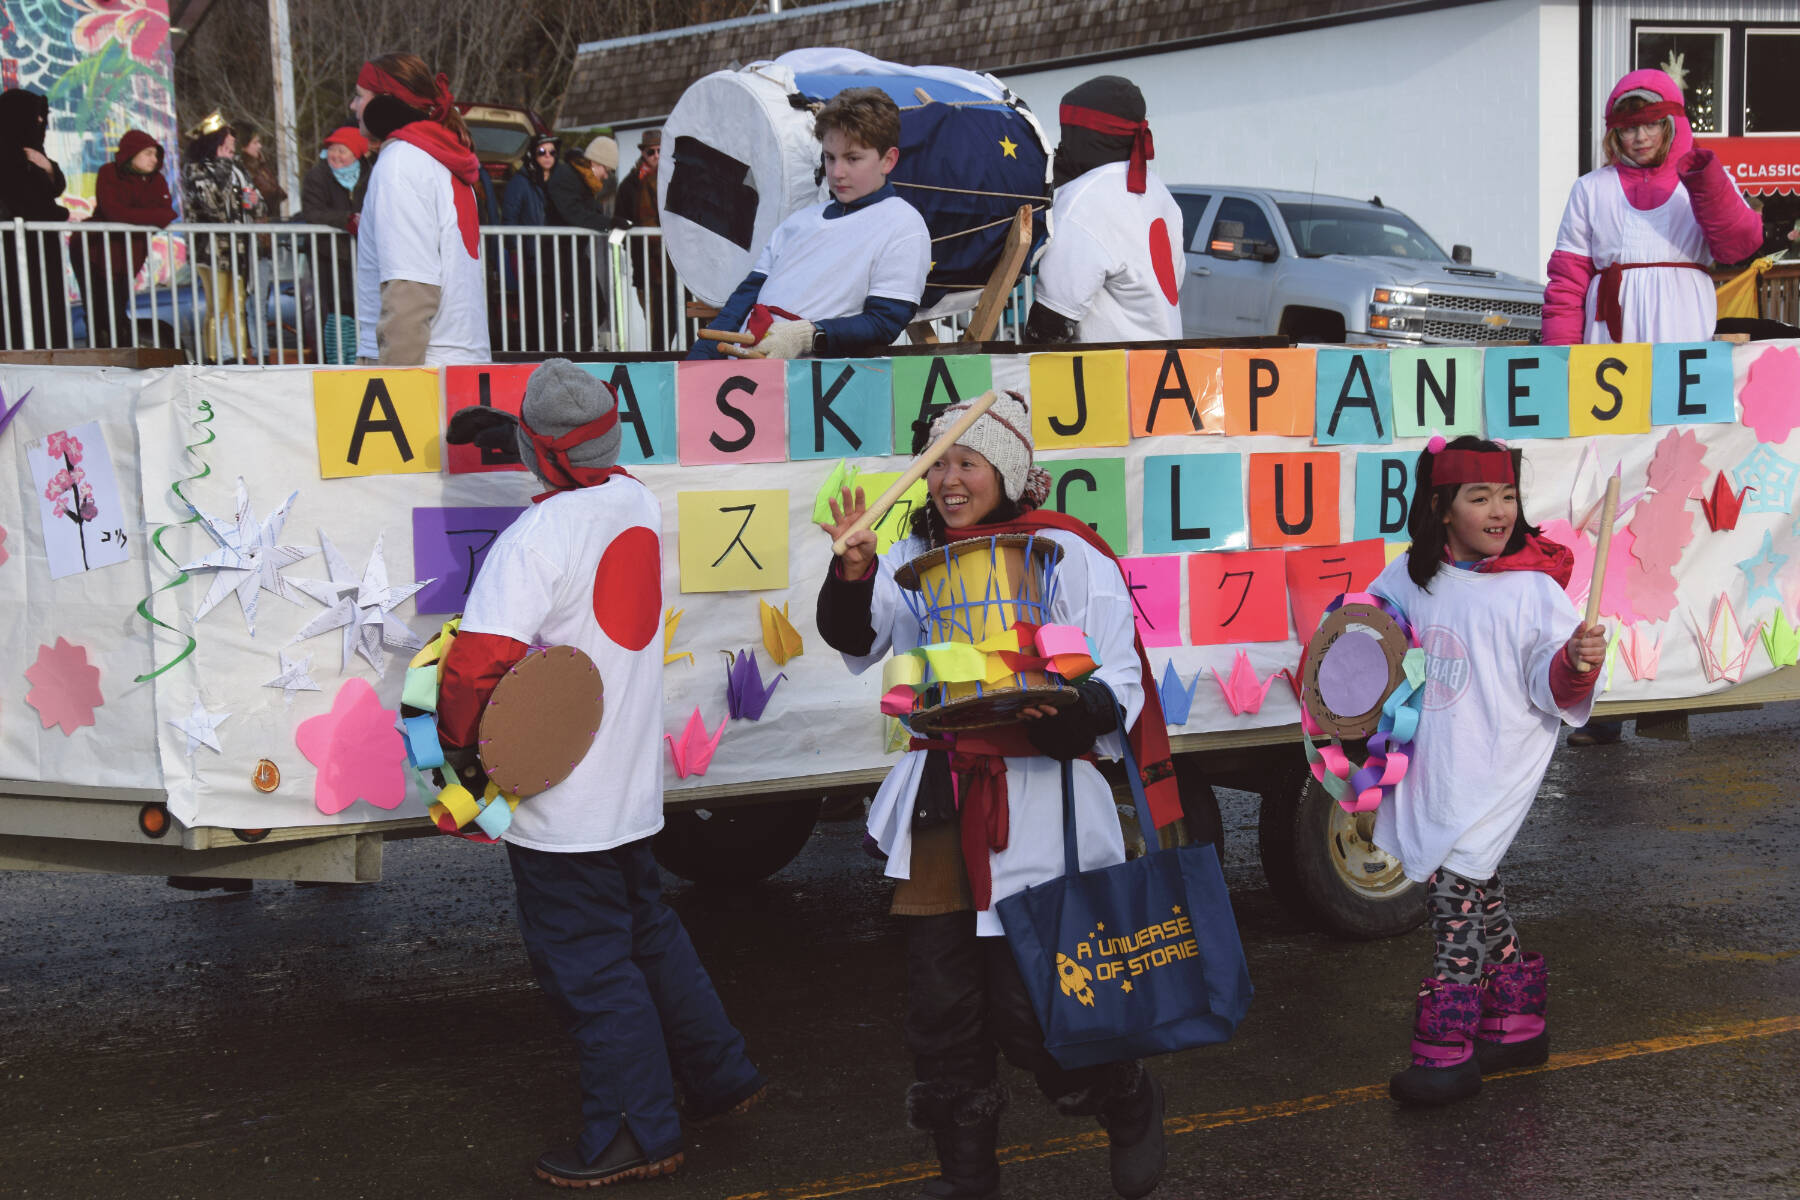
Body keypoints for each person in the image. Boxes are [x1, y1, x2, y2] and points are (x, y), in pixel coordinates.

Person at [816, 392, 1174, 1200]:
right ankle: (968, 1180)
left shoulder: (1065, 553)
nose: (948, 479)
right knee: (942, 1018)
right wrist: (851, 566)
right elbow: (859, 637)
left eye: (966, 462)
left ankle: (1124, 1095)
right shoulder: (911, 552)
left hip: (1044, 806)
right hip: (943, 802)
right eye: (937, 462)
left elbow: (1115, 678)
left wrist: (1068, 711)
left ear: (1005, 470)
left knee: (1035, 1008)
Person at [436, 359, 766, 1188]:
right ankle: (719, 1078)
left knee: (590, 968)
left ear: (538, 456)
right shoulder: (634, 502)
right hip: (627, 787)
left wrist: (463, 760)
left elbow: (474, 669)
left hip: (560, 800)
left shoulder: (535, 539)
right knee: (648, 936)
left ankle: (634, 1133)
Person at [1370, 435, 1607, 1107]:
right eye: (1481, 498)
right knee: (1477, 887)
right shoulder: (1412, 576)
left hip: (1498, 763)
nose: (1500, 511)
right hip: (1438, 765)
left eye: (1508, 496)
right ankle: (1516, 1020)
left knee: (1452, 896)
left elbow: (1549, 681)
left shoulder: (1533, 590)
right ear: (1443, 508)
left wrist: (1576, 661)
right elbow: (1368, 631)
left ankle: (1444, 1049)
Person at [1542, 68, 1761, 747]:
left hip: (1682, 354)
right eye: (1626, 126)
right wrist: (1561, 364)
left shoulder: (1701, 183)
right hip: (1612, 356)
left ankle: (1669, 687)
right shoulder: (1590, 191)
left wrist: (1705, 177)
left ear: (1669, 122)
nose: (1638, 136)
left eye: (1649, 123)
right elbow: (1567, 280)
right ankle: (1600, 683)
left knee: (1678, 508)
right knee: (1610, 504)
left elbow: (1739, 245)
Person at [690, 89, 929, 362]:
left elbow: (883, 323)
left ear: (888, 160)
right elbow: (740, 306)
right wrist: (692, 369)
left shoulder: (903, 225)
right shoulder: (798, 222)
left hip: (812, 386)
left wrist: (808, 335)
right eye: (830, 157)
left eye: (852, 159)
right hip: (739, 375)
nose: (837, 172)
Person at [351, 52, 489, 366]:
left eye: (359, 97)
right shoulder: (439, 156)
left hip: (422, 366)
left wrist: (395, 390)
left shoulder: (400, 163)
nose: (353, 107)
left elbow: (410, 290)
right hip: (456, 360)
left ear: (384, 102)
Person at [1023, 76, 1183, 345]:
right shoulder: (1157, 191)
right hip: (1165, 365)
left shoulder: (1086, 197)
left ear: (1082, 134)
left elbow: (1053, 319)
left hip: (1114, 376)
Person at [74, 129, 176, 348]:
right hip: (93, 251)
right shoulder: (109, 172)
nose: (154, 159)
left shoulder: (156, 180)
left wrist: (131, 217)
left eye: (156, 154)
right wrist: (147, 218)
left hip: (128, 254)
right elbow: (113, 212)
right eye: (148, 153)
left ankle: (117, 356)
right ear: (132, 153)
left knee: (117, 308)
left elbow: (167, 213)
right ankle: (102, 359)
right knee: (98, 311)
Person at [181, 121, 262, 362]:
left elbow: (257, 205)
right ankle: (214, 357)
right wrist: (224, 166)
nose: (232, 147)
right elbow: (213, 206)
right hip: (211, 251)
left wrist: (254, 202)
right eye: (226, 142)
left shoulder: (237, 169)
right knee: (217, 306)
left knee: (237, 304)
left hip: (238, 249)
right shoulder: (195, 169)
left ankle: (237, 357)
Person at [0, 88, 71, 350]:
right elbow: (24, 199)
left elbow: (55, 187)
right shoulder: (7, 153)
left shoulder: (33, 150)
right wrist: (61, 214)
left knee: (46, 313)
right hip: (13, 252)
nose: (41, 123)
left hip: (41, 252)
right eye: (35, 116)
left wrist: (47, 167)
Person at [295, 126, 371, 361]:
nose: (335, 156)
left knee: (364, 310)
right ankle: (338, 360)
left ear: (356, 154)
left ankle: (362, 357)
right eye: (332, 150)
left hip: (362, 254)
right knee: (337, 311)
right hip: (328, 255)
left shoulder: (371, 174)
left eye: (342, 151)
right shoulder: (317, 176)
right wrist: (346, 220)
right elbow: (313, 212)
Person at [612, 128, 672, 349]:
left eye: (660, 150)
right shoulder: (629, 186)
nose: (656, 156)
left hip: (675, 270)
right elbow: (620, 222)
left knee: (677, 323)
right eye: (651, 152)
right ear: (643, 154)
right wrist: (638, 248)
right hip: (647, 269)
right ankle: (659, 371)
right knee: (657, 328)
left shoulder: (674, 178)